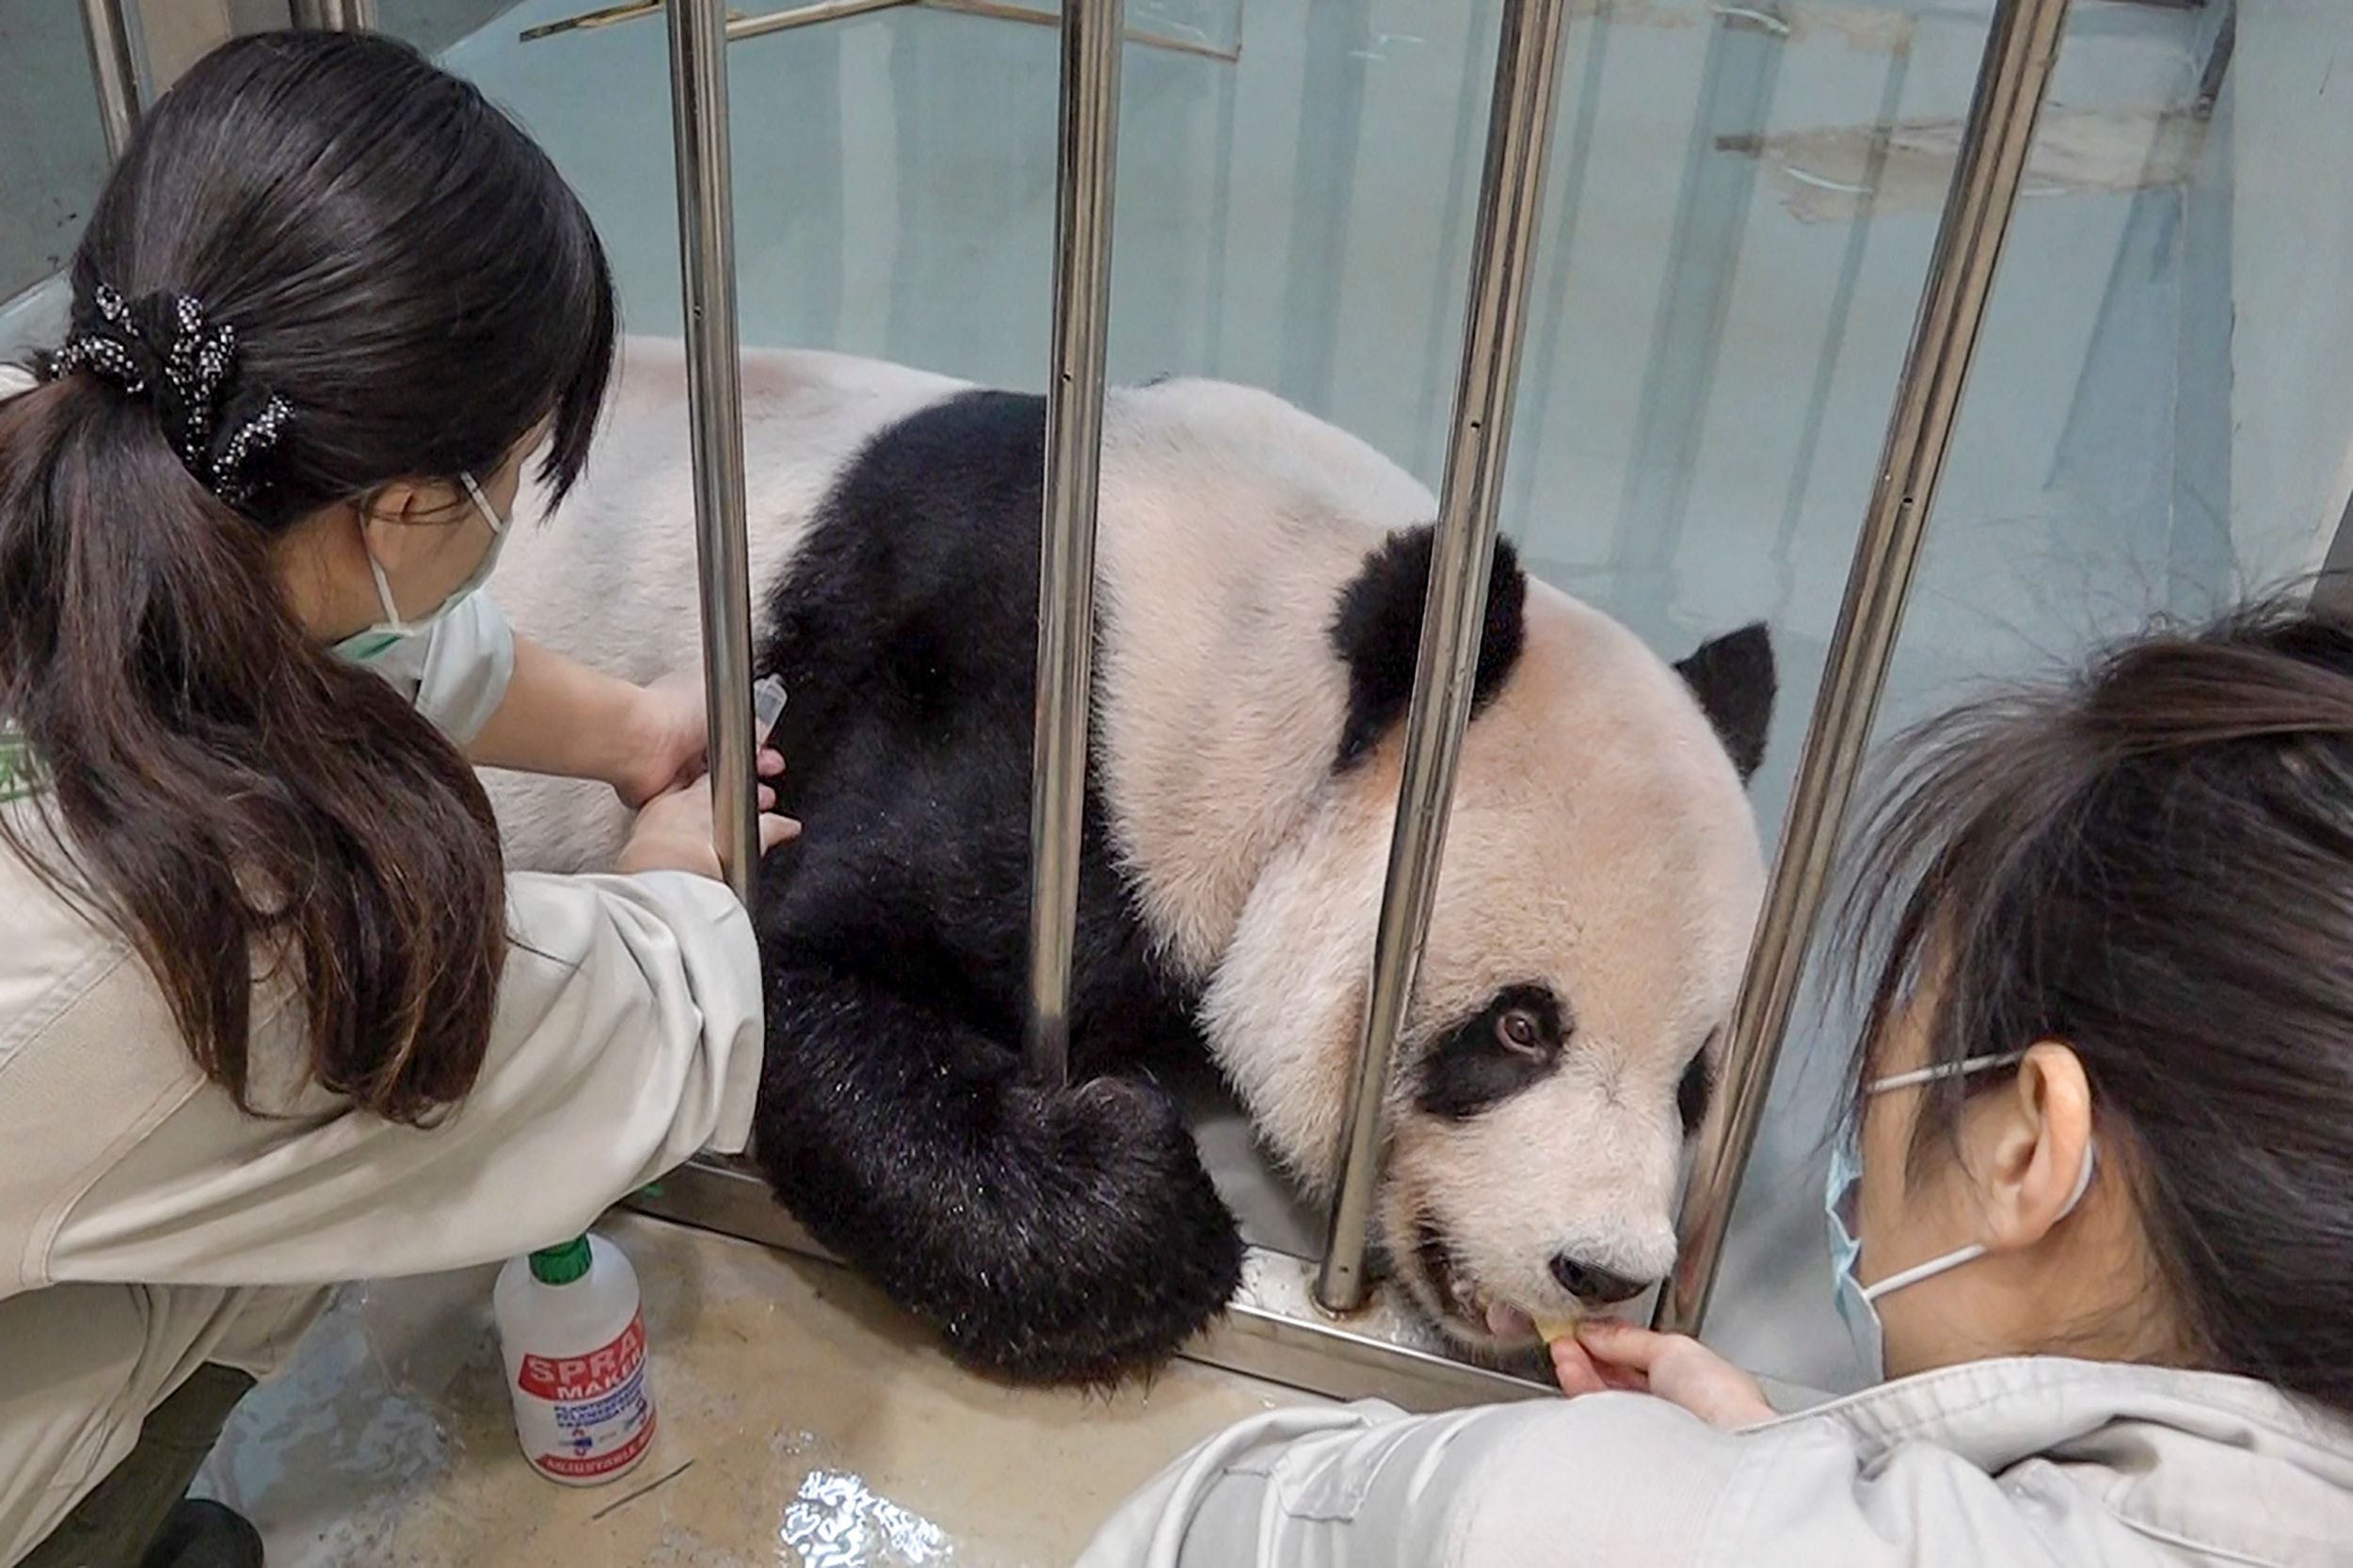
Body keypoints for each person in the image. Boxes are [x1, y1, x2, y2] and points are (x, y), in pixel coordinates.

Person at [1078, 600, 2353, 1568]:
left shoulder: (1585, 1520)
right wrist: (1801, 1470)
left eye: (1899, 1021)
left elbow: (1203, 1523)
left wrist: (1699, 1492)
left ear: (2028, 1147)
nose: (1649, 1223)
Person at [0, 32, 793, 1568]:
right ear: (411, 505)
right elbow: (641, 1030)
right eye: (512, 471)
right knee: (259, 1250)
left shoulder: (89, 438)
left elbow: (321, 632)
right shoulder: (228, 937)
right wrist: (674, 870)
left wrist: (631, 727)